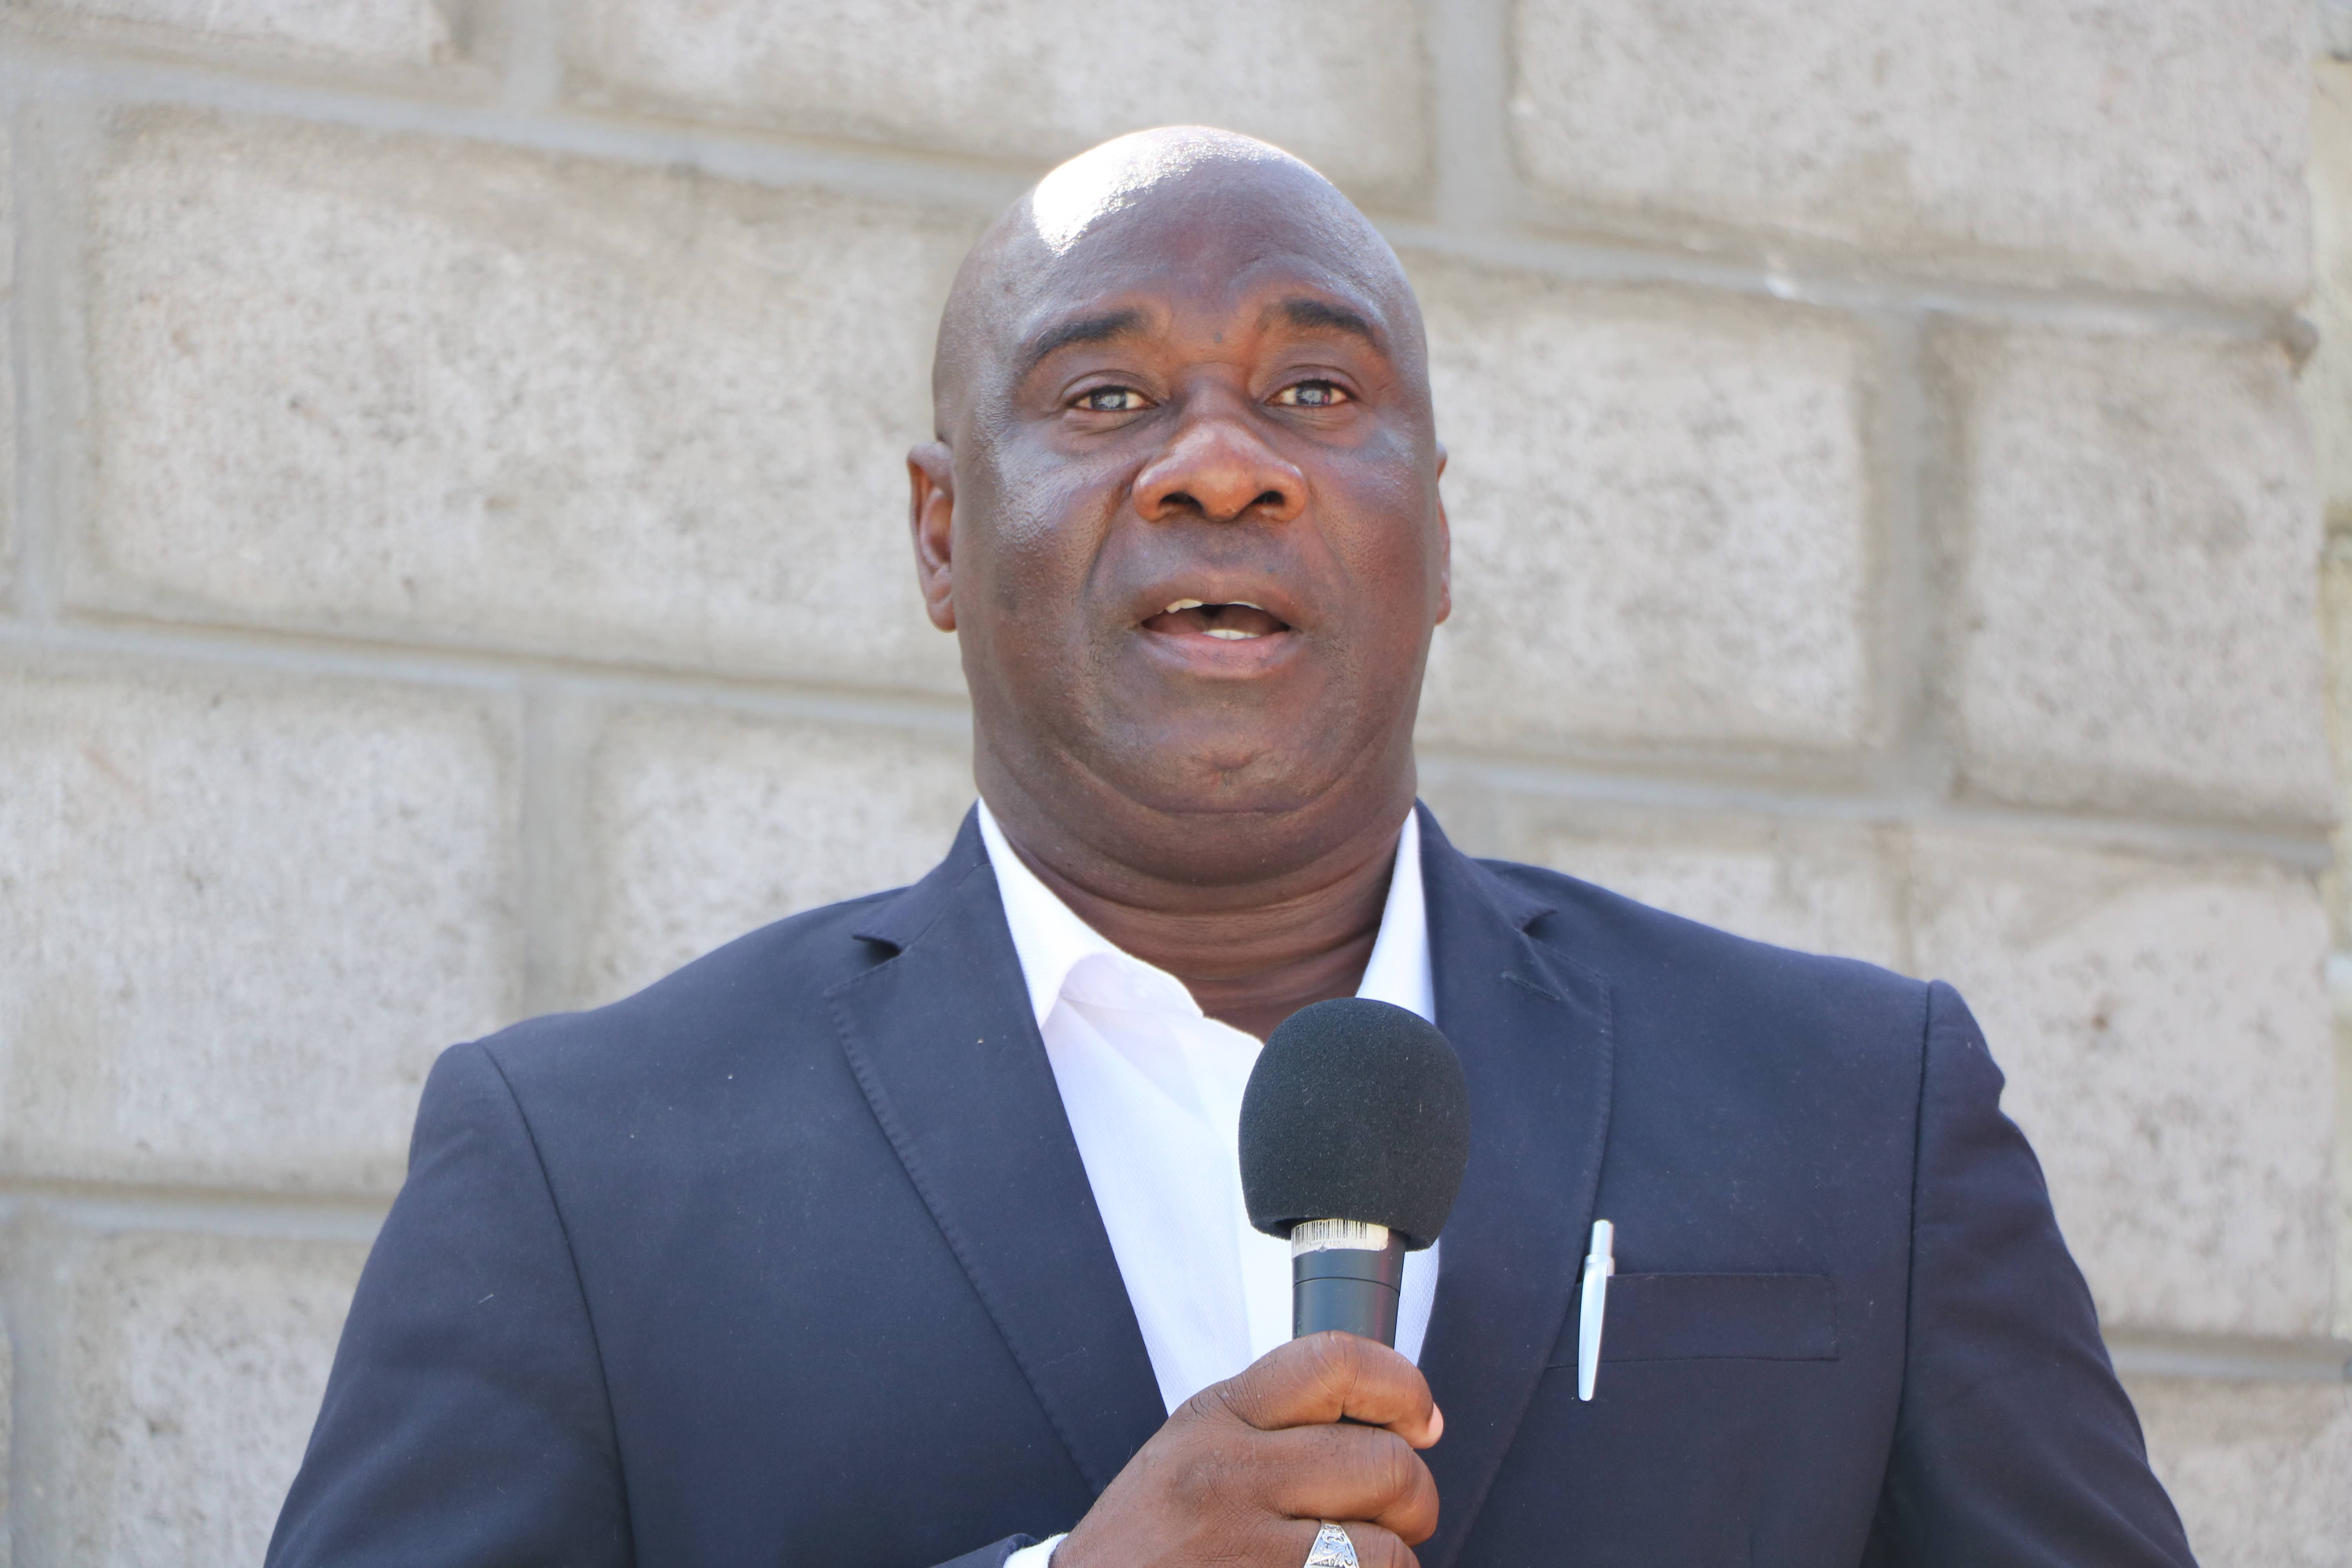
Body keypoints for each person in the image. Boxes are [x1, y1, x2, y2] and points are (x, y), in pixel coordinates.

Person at [266, 127, 2196, 1568]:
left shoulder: (1857, 1107)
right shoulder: (583, 1168)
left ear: (1437, 533)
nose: (1219, 462)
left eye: (1316, 392)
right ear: (943, 534)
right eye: (1105, 396)